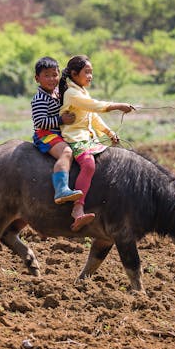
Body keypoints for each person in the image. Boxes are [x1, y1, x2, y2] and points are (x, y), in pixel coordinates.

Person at [59, 54, 136, 231]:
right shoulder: (71, 93)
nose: (90, 76)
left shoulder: (81, 91)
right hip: (75, 137)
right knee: (88, 164)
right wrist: (118, 105)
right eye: (86, 72)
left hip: (88, 137)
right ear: (74, 73)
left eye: (91, 72)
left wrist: (108, 132)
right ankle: (78, 208)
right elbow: (95, 106)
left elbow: (92, 116)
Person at [31, 57, 82, 205]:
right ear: (37, 78)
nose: (51, 79)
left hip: (59, 133)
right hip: (45, 134)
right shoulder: (40, 98)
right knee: (66, 152)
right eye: (46, 75)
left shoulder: (57, 93)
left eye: (54, 75)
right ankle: (61, 189)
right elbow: (40, 122)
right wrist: (61, 120)